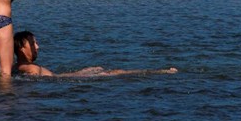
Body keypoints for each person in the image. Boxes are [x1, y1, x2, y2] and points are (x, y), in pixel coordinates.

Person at [13, 31, 178, 77]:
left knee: (103, 70)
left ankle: (159, 71)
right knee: (114, 73)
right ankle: (159, 72)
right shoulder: (28, 69)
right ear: (22, 48)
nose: (38, 47)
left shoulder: (20, 67)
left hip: (70, 76)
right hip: (69, 78)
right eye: (33, 43)